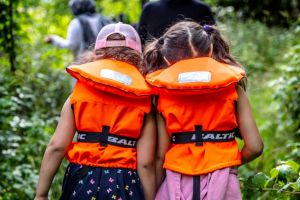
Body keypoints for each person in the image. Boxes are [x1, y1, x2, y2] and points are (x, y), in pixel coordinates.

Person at [35, 23, 156, 200]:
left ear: (97, 53)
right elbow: (146, 164)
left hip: (82, 180)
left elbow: (57, 147)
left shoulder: (79, 93)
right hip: (125, 184)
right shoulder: (144, 98)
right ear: (138, 56)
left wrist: (41, 194)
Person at [144, 21, 264, 200]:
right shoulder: (232, 87)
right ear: (210, 50)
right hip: (223, 180)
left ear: (167, 59)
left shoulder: (162, 93)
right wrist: (227, 163)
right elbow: (255, 146)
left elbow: (161, 155)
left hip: (177, 180)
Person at [45, 0, 112, 60]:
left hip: (86, 63)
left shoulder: (76, 22)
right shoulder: (103, 19)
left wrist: (53, 39)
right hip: (106, 62)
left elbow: (71, 45)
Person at [138, 0, 215, 45]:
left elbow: (139, 42)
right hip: (196, 66)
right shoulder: (201, 8)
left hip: (157, 66)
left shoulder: (150, 8)